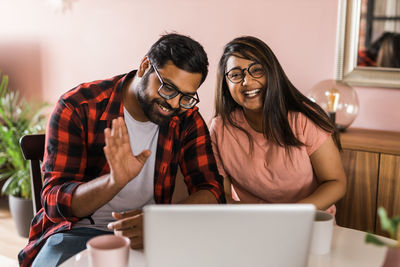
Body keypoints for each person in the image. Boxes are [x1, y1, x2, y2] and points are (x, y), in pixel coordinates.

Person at [18, 33, 225, 267]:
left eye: (186, 96)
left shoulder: (186, 118)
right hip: (75, 234)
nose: (175, 104)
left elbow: (211, 189)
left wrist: (159, 223)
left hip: (150, 236)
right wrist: (113, 182)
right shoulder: (78, 106)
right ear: (145, 66)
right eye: (168, 88)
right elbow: (55, 203)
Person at [210, 36, 346, 212]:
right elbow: (223, 196)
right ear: (225, 83)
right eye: (235, 75)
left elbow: (336, 183)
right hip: (255, 225)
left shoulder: (303, 119)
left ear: (272, 73)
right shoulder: (220, 128)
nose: (247, 81)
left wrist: (289, 215)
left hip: (307, 222)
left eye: (257, 70)